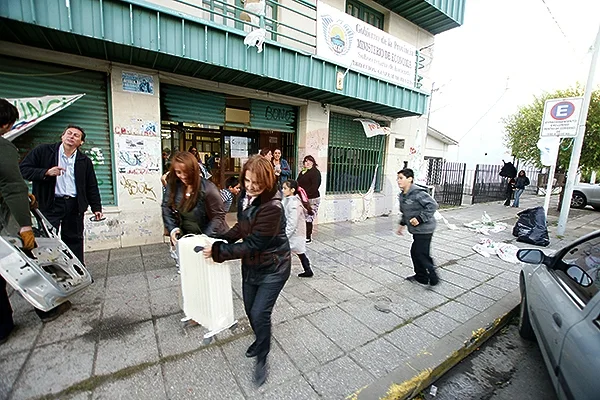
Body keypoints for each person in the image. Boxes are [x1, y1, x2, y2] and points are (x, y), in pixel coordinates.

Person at [203, 155, 290, 386]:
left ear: (268, 182)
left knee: (261, 312)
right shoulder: (244, 195)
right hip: (252, 265)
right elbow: (242, 228)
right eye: (248, 181)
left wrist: (219, 252)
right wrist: (220, 237)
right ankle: (260, 339)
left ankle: (262, 356)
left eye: (257, 184)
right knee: (251, 310)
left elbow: (254, 244)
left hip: (274, 266)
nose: (251, 187)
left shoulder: (273, 207)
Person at [0, 100, 67, 343]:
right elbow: (13, 185)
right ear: (6, 123)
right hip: (6, 221)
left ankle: (4, 326)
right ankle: (46, 306)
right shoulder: (5, 147)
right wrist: (25, 225)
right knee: (25, 261)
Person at [20, 125, 103, 264]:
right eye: (69, 133)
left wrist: (96, 208)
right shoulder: (43, 151)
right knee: (47, 239)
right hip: (49, 203)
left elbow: (91, 185)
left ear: (81, 142)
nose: (71, 136)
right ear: (62, 136)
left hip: (74, 205)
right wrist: (46, 172)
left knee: (74, 239)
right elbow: (23, 169)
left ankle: (77, 270)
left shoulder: (84, 161)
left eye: (76, 135)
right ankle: (48, 270)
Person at [162, 151, 228, 248]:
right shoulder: (174, 185)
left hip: (210, 237)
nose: (183, 176)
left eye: (186, 171)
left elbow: (218, 215)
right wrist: (172, 228)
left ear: (193, 170)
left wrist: (203, 238)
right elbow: (166, 207)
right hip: (187, 237)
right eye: (178, 172)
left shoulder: (208, 188)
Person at [396, 168, 439, 286]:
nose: (398, 181)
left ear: (410, 179)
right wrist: (402, 225)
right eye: (397, 178)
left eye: (401, 178)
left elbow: (433, 205)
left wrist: (420, 219)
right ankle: (421, 277)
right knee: (416, 252)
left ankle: (433, 277)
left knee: (420, 253)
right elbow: (406, 213)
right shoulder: (403, 196)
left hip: (425, 228)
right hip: (416, 230)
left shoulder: (418, 193)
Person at [282, 180, 313, 278]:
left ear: (292, 190)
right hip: (291, 232)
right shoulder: (287, 200)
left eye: (285, 188)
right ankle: (307, 270)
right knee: (298, 252)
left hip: (295, 233)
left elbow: (292, 223)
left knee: (298, 252)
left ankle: (307, 270)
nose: (283, 190)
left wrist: (285, 235)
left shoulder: (294, 204)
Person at [296, 155, 321, 243]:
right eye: (305, 161)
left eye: (308, 161)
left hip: (312, 198)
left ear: (312, 162)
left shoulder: (315, 172)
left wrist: (306, 194)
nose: (306, 163)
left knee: (309, 217)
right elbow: (298, 182)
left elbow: (315, 186)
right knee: (302, 217)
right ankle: (302, 234)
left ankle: (308, 236)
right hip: (303, 197)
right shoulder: (303, 172)